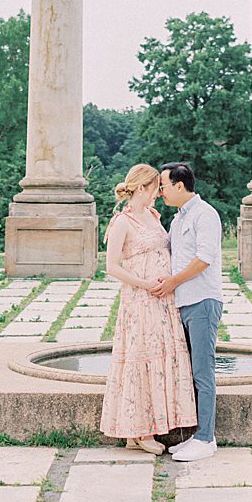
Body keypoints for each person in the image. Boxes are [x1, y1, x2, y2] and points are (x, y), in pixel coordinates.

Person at [100, 163, 197, 453]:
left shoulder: (154, 217)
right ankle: (138, 432)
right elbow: (111, 266)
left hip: (163, 300)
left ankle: (143, 431)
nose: (158, 194)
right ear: (142, 188)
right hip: (141, 301)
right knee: (140, 362)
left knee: (161, 360)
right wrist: (144, 284)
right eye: (156, 188)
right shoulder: (122, 222)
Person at [152, 163, 224, 461]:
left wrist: (172, 282)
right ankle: (197, 435)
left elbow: (204, 258)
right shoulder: (177, 219)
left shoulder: (205, 215)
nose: (160, 192)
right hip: (183, 302)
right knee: (188, 372)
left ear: (179, 186)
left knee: (203, 372)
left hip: (203, 301)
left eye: (163, 186)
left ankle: (207, 439)